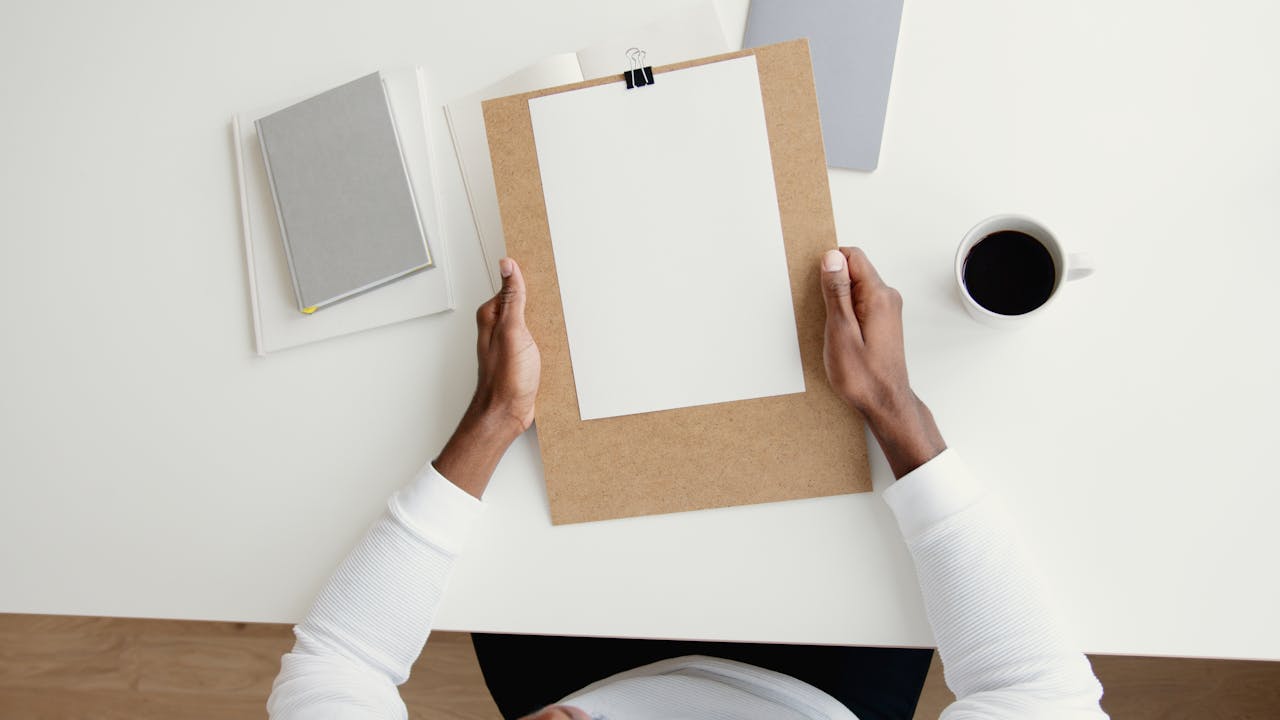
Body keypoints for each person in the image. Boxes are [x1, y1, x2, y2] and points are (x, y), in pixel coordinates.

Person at [266, 248, 1108, 719]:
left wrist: (491, 420)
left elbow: (338, 666)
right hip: (821, 680)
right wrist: (893, 407)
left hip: (567, 669)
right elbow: (1039, 691)